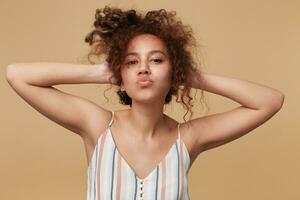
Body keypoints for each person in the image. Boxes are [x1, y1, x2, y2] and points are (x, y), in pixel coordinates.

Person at [5, 5, 284, 200]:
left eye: (156, 59)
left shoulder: (187, 137)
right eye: (131, 61)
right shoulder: (98, 126)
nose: (143, 68)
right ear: (120, 73)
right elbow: (16, 75)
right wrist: (99, 73)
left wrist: (191, 76)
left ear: (173, 71)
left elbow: (270, 101)